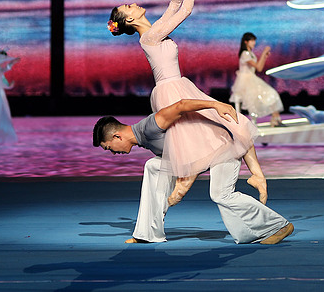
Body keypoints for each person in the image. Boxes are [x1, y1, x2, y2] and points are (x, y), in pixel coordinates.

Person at [107, 0, 269, 206]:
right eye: (128, 7)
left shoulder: (153, 32)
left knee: (229, 123)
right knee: (206, 133)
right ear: (128, 20)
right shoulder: (149, 38)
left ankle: (257, 176)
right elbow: (185, 10)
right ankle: (184, 183)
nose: (132, 4)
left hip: (178, 86)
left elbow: (175, 5)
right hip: (172, 91)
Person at [93, 98, 294, 245]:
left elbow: (181, 106)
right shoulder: (144, 139)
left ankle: (278, 225)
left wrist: (216, 104)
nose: (112, 153)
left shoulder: (150, 127)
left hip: (222, 147)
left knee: (220, 194)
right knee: (153, 166)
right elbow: (184, 156)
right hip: (206, 154)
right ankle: (147, 233)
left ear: (117, 137)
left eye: (109, 147)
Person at [230, 32, 285, 127]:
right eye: (252, 40)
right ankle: (275, 120)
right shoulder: (245, 54)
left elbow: (259, 68)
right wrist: (263, 53)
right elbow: (258, 67)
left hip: (251, 78)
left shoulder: (250, 53)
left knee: (271, 93)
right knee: (268, 94)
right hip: (246, 81)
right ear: (246, 42)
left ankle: (276, 119)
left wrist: (264, 56)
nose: (254, 42)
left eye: (254, 40)